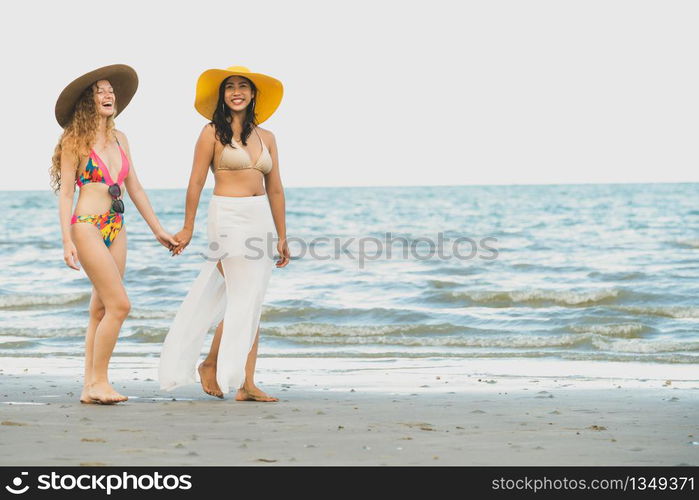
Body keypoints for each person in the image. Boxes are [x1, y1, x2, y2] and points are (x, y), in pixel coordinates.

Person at [159, 65, 290, 402]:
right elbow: (197, 181)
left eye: (243, 86)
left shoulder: (268, 137)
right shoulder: (210, 133)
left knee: (251, 297)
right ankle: (215, 365)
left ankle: (244, 381)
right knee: (243, 296)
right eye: (230, 86)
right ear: (222, 95)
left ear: (252, 94)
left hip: (259, 217)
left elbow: (275, 190)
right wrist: (187, 226)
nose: (236, 92)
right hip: (227, 217)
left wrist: (282, 235)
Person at [50, 64, 179, 404]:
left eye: (110, 90)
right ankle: (100, 382)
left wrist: (158, 230)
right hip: (87, 225)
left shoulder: (121, 139)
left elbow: (134, 187)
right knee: (120, 305)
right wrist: (67, 241)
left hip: (116, 226)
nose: (107, 95)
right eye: (99, 91)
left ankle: (90, 387)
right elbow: (65, 194)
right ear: (86, 102)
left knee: (101, 310)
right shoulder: (73, 141)